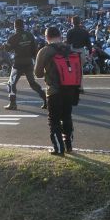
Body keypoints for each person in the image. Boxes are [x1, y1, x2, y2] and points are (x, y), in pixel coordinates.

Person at [34, 26, 80, 156]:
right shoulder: (69, 49)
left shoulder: (45, 51)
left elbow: (38, 73)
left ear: (46, 37)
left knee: (53, 120)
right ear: (60, 36)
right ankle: (68, 145)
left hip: (54, 90)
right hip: (70, 89)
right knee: (67, 117)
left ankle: (59, 148)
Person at [5, 18, 47, 110]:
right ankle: (45, 99)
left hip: (18, 63)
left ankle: (12, 103)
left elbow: (7, 49)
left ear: (15, 26)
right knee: (32, 83)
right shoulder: (29, 35)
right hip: (28, 62)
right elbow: (34, 49)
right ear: (23, 25)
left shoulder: (13, 37)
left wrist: (5, 45)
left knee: (11, 83)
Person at [65, 15, 91, 92]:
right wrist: (90, 53)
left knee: (72, 70)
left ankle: (73, 86)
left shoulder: (70, 31)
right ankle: (81, 87)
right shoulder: (84, 31)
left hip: (73, 51)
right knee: (80, 69)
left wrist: (66, 53)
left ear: (72, 22)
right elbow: (88, 44)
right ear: (80, 22)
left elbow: (68, 44)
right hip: (81, 51)